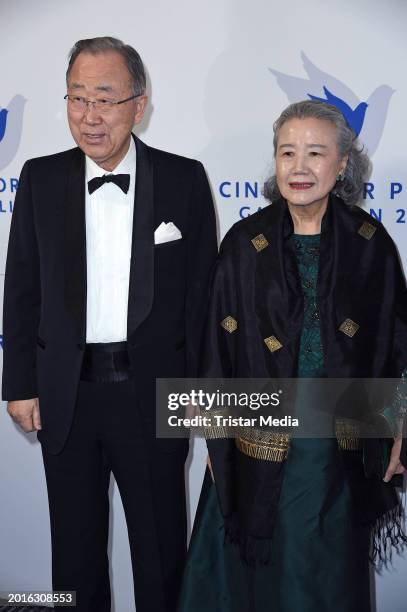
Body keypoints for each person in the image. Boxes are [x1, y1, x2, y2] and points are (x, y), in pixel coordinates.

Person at [2, 36, 217, 612]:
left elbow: (202, 296)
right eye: (77, 98)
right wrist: (18, 384)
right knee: (71, 555)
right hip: (64, 393)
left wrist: (200, 389)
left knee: (162, 552)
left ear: (138, 106)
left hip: (152, 392)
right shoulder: (40, 179)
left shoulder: (183, 179)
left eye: (105, 98)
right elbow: (21, 289)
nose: (89, 116)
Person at [178, 100, 406, 612]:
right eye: (287, 152)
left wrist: (398, 426)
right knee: (255, 578)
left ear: (343, 163)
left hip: (337, 447)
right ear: (274, 161)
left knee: (321, 577)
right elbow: (217, 343)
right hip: (254, 440)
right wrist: (217, 437)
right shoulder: (243, 243)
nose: (299, 167)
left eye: (316, 153)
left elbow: (396, 343)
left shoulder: (372, 245)